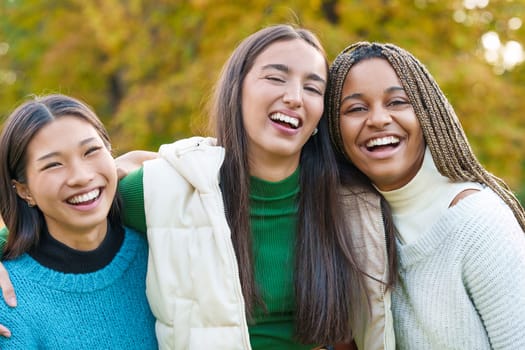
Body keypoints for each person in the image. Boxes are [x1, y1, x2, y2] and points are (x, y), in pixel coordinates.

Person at [116, 24, 388, 350]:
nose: (294, 97)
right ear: (237, 90)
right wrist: (115, 166)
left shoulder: (351, 203)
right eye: (275, 78)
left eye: (313, 88)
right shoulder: (161, 190)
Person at [326, 41, 525, 349]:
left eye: (397, 102)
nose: (378, 119)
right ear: (334, 130)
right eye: (356, 108)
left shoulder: (479, 223)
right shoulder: (355, 232)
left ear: (427, 112)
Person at [0, 94, 158, 348]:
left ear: (111, 153)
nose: (81, 177)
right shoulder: (9, 298)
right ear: (24, 191)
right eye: (53, 165)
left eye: (91, 151)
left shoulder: (162, 250)